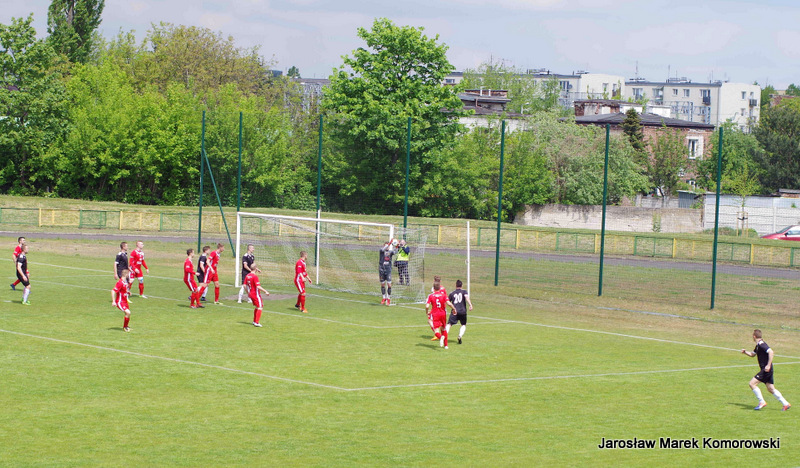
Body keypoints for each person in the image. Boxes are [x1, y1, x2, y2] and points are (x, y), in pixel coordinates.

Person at [742, 329, 791, 411]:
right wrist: (745, 352)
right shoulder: (758, 345)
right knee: (771, 388)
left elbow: (771, 352)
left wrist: (768, 365)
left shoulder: (762, 344)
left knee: (752, 383)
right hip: (768, 370)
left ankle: (761, 402)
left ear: (754, 336)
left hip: (766, 369)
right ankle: (786, 404)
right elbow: (752, 354)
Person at [446, 279, 473, 345]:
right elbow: (466, 297)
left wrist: (451, 308)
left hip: (454, 311)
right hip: (462, 311)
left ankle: (444, 335)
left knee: (449, 324)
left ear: (456, 285)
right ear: (462, 285)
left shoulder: (452, 293)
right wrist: (470, 305)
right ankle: (460, 336)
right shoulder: (464, 291)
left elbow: (448, 302)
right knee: (463, 324)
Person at [425, 278, 449, 349]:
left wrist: (427, 312)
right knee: (443, 328)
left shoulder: (432, 292)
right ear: (440, 281)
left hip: (435, 311)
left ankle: (439, 336)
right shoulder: (443, 289)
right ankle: (446, 345)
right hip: (443, 310)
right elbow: (446, 299)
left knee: (431, 323)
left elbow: (428, 305)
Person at [379, 239, 398, 306]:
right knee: (382, 284)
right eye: (386, 246)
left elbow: (395, 252)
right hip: (381, 270)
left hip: (388, 270)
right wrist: (389, 243)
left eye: (388, 246)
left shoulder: (390, 252)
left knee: (389, 285)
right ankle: (384, 298)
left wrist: (397, 246)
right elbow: (383, 249)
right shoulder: (381, 251)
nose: (387, 247)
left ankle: (388, 298)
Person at [428, 275, 446, 341]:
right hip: (443, 308)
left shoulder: (433, 288)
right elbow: (445, 297)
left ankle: (438, 335)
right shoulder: (443, 288)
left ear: (434, 281)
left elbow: (433, 298)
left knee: (430, 321)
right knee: (442, 324)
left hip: (436, 309)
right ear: (440, 281)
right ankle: (442, 336)